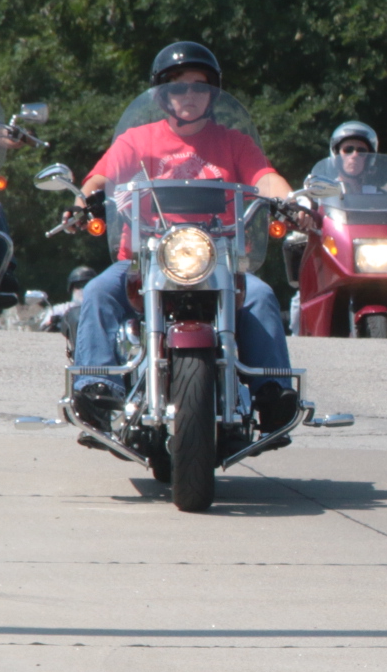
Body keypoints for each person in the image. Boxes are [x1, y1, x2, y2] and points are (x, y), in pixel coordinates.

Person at [66, 42, 298, 430]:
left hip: (219, 256)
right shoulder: (136, 140)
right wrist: (82, 201)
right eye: (178, 87)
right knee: (99, 291)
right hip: (146, 255)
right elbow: (100, 178)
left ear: (212, 94)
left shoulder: (234, 143)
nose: (189, 95)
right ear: (162, 95)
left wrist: (292, 201)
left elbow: (266, 178)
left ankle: (273, 391)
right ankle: (97, 389)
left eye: (198, 86)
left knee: (260, 296)